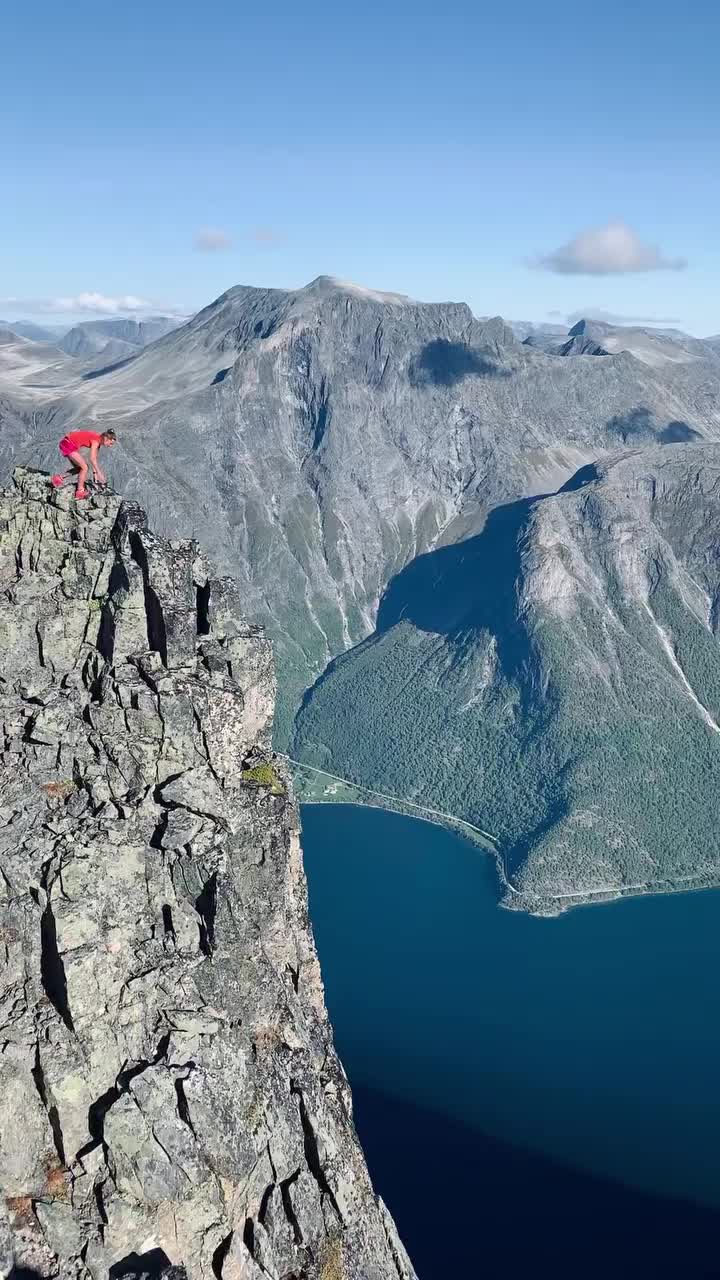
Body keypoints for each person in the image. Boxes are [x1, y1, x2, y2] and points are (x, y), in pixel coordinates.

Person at [51, 428, 117, 499]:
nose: (110, 446)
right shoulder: (96, 442)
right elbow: (92, 459)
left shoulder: (98, 441)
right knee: (85, 468)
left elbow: (94, 459)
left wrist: (95, 476)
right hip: (68, 444)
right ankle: (80, 492)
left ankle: (57, 479)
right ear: (106, 438)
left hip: (66, 443)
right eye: (111, 443)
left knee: (80, 468)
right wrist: (99, 474)